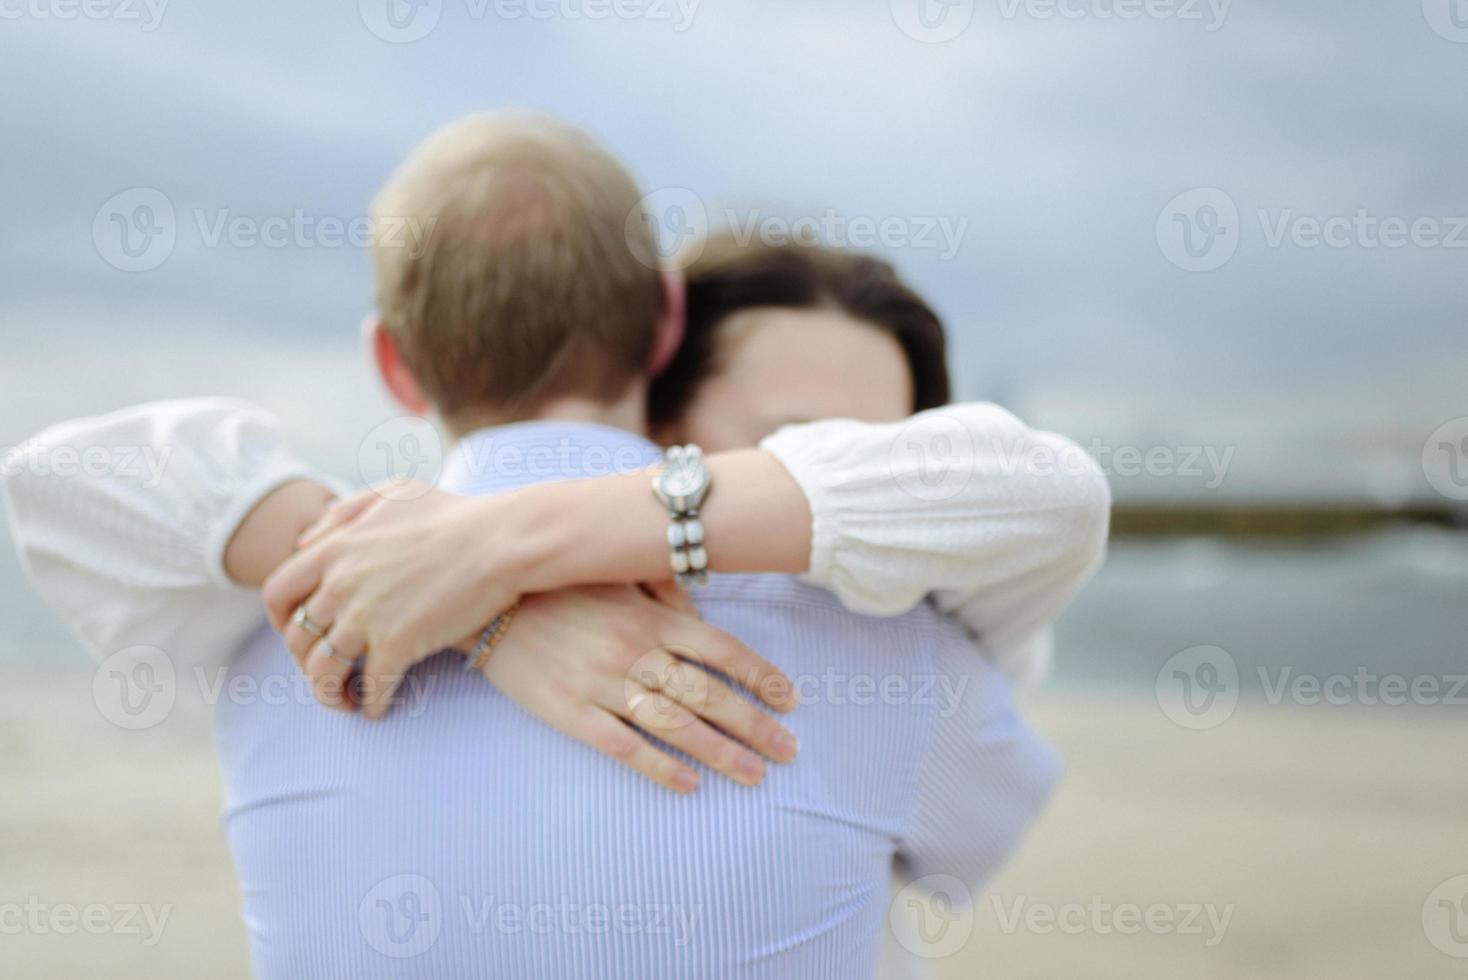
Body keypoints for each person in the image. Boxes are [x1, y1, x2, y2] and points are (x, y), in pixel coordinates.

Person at [2, 111, 1107, 977]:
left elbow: (55, 477)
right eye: (789, 444)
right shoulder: (894, 662)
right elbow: (980, 830)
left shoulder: (290, 622)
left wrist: (494, 560)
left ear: (393, 363)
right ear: (663, 331)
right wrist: (492, 606)